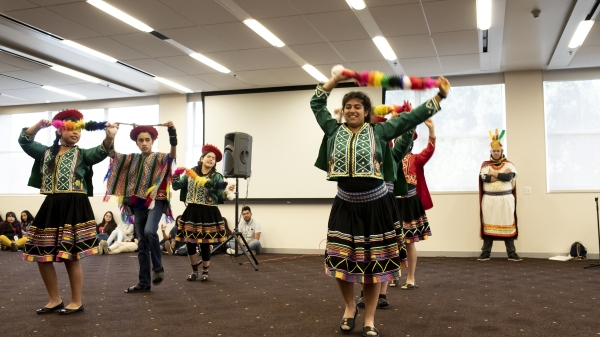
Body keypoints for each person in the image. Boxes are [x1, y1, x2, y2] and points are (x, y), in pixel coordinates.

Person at [311, 69, 449, 337]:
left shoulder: (381, 131)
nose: (352, 110)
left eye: (358, 107)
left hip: (376, 207)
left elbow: (412, 117)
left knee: (374, 266)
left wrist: (438, 96)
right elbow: (316, 103)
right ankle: (350, 307)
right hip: (344, 206)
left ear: (366, 111)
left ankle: (370, 319)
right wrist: (335, 81)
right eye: (348, 107)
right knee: (342, 263)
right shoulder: (332, 129)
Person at [19, 109, 116, 315]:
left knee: (70, 256)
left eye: (79, 130)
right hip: (51, 205)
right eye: (70, 128)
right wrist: (38, 125)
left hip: (74, 205)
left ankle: (76, 301)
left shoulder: (82, 154)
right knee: (41, 255)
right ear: (58, 131)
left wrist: (109, 136)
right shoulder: (45, 152)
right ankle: (54, 299)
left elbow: (101, 151)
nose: (76, 133)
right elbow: (25, 140)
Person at [104, 123, 177, 293]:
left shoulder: (159, 157)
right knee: (142, 244)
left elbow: (172, 155)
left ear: (152, 141)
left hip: (156, 201)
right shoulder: (131, 159)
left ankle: (158, 268)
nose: (144, 143)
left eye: (147, 140)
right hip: (137, 204)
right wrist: (111, 135)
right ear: (136, 142)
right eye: (141, 140)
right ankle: (144, 282)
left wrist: (172, 134)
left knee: (150, 232)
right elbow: (112, 153)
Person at [173, 144, 234, 282]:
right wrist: (177, 173)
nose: (211, 159)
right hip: (192, 211)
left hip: (209, 212)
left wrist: (227, 190)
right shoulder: (190, 174)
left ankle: (205, 272)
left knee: (206, 243)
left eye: (214, 158)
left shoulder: (217, 176)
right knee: (190, 243)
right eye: (209, 157)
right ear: (202, 158)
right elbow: (176, 186)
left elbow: (219, 193)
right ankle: (194, 271)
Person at [391, 118, 436, 290]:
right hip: (393, 204)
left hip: (409, 203)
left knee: (409, 242)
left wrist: (431, 130)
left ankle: (410, 278)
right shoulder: (391, 158)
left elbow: (429, 150)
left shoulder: (416, 159)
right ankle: (394, 275)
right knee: (392, 242)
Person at [478, 130, 520, 261]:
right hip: (489, 199)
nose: (496, 153)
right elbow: (484, 178)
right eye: (494, 151)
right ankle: (486, 252)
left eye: (498, 151)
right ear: (491, 152)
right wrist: (499, 176)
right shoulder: (485, 166)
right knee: (489, 223)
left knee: (507, 222)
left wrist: (494, 174)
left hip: (505, 199)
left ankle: (511, 253)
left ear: (501, 152)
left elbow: (509, 177)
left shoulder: (509, 165)